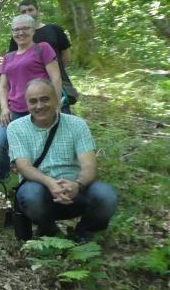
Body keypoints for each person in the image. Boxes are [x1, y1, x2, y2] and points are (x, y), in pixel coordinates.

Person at [9, 79, 117, 242]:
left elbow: (90, 166)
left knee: (106, 196)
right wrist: (50, 183)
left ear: (56, 98)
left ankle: (83, 231)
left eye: (45, 99)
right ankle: (48, 229)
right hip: (41, 191)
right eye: (33, 101)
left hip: (75, 189)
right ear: (27, 104)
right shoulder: (16, 128)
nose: (39, 106)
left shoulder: (77, 125)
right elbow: (24, 167)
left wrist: (78, 185)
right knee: (31, 195)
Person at [0, 14, 62, 180]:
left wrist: (56, 105)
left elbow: (56, 78)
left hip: (40, 109)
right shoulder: (8, 57)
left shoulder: (42, 48)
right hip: (15, 110)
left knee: (39, 147)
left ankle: (43, 179)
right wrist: (4, 108)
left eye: (25, 28)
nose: (20, 33)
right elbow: (3, 86)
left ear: (33, 30)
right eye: (16, 30)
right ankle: (4, 181)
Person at [14, 0, 74, 113]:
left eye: (30, 10)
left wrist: (54, 72)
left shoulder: (54, 29)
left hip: (58, 84)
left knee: (61, 120)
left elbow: (66, 57)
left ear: (38, 10)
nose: (27, 13)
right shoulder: (18, 37)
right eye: (23, 11)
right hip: (31, 90)